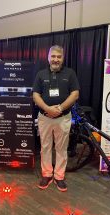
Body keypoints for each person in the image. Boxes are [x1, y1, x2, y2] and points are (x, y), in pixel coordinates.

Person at [33, 45, 80, 192]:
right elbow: (35, 95)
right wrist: (48, 109)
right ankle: (46, 174)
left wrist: (59, 108)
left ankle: (59, 176)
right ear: (48, 58)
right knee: (45, 147)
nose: (56, 59)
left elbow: (75, 94)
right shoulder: (41, 74)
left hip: (63, 117)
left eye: (59, 57)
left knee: (61, 148)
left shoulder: (70, 73)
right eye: (53, 56)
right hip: (44, 117)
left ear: (63, 58)